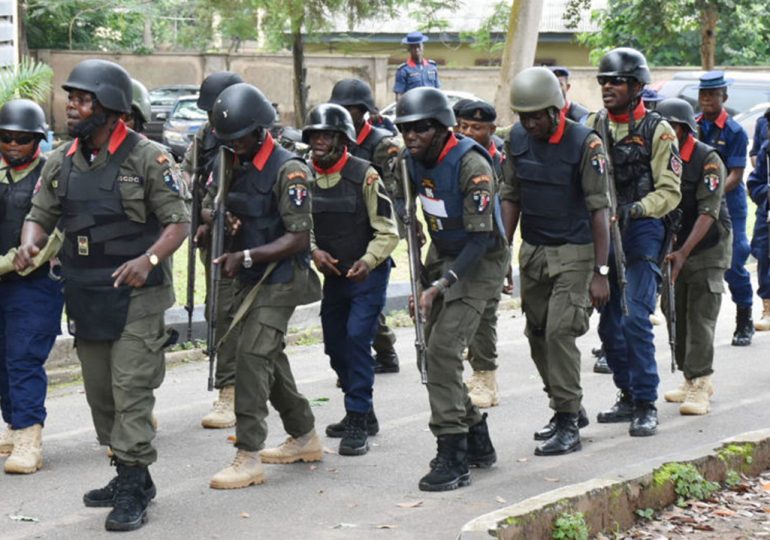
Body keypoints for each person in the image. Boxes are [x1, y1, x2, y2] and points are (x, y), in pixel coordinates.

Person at [14, 59, 189, 531]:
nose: (72, 105)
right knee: (101, 396)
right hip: (87, 293)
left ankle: (134, 485)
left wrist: (148, 260)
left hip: (138, 295)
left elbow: (178, 223)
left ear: (110, 107)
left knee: (131, 390)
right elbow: (41, 211)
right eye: (71, 98)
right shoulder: (62, 159)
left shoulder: (148, 158)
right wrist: (31, 240)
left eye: (83, 99)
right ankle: (129, 471)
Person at [202, 83, 322, 489]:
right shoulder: (226, 159)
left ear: (259, 131)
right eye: (227, 141)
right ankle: (304, 434)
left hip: (283, 277)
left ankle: (248, 454)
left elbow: (299, 237)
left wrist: (247, 255)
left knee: (253, 355)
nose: (233, 147)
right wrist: (221, 221)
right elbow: (208, 205)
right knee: (270, 358)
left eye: (239, 139)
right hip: (248, 275)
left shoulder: (290, 170)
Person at [394, 87, 508, 491]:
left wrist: (440, 285)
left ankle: (453, 452)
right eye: (405, 129)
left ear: (442, 129)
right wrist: (420, 268)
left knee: (441, 351)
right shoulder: (408, 161)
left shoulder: (471, 165)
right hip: (443, 253)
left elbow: (481, 241)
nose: (411, 137)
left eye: (421, 129)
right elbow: (405, 208)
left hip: (480, 260)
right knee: (432, 350)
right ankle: (476, 434)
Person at [501, 67, 610, 455]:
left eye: (535, 116)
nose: (528, 124)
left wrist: (601, 271)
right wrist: (503, 252)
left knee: (560, 333)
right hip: (533, 251)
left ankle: (567, 422)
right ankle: (568, 405)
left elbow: (600, 209)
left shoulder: (585, 143)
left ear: (555, 109)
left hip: (575, 252)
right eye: (522, 116)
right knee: (536, 333)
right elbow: (510, 195)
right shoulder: (516, 139)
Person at [587, 48, 682, 437]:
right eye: (604, 81)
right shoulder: (594, 125)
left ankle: (646, 401)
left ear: (637, 86)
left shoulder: (659, 130)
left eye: (617, 81)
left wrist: (636, 209)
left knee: (634, 317)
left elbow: (670, 192)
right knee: (609, 326)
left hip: (643, 229)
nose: (608, 87)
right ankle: (627, 393)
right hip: (603, 229)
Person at [303, 103, 399, 455]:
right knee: (334, 344)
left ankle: (357, 415)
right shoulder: (304, 176)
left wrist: (369, 260)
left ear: (342, 140)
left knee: (358, 338)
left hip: (367, 274)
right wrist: (314, 252)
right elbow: (300, 226)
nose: (319, 142)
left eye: (326, 136)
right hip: (335, 275)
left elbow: (389, 231)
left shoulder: (366, 175)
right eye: (314, 136)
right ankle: (363, 409)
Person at [0, 99, 64, 474]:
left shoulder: (51, 172)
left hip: (34, 280)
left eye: (21, 139)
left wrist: (12, 262)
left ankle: (28, 434)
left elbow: (54, 232)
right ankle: (12, 422)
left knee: (23, 356)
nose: (12, 146)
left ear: (37, 139)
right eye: (5, 137)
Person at [657, 98, 731, 415]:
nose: (668, 134)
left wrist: (684, 253)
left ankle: (701, 381)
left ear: (686, 129)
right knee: (673, 307)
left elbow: (708, 211)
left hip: (706, 245)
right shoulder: (657, 156)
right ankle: (690, 376)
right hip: (674, 246)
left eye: (673, 127)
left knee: (700, 312)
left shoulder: (706, 159)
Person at [181, 71, 243, 429]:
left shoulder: (248, 137)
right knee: (217, 310)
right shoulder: (204, 138)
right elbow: (189, 180)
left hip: (248, 242)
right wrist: (201, 217)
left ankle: (230, 390)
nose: (211, 119)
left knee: (231, 313)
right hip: (214, 241)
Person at [328, 78, 402, 375]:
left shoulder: (381, 144)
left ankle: (374, 357)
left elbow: (394, 192)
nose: (344, 114)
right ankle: (383, 352)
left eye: (350, 109)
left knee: (364, 298)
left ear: (364, 111)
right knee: (358, 301)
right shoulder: (335, 140)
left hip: (374, 229)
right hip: (343, 228)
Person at [695, 71, 752, 346]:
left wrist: (710, 194)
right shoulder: (693, 127)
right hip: (698, 203)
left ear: (724, 97)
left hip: (729, 204)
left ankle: (745, 317)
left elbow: (736, 175)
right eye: (703, 94)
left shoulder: (734, 131)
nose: (706, 99)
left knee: (734, 260)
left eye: (713, 95)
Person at [454, 99, 505, 408]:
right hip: (456, 241)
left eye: (476, 127)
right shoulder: (452, 157)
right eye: (463, 127)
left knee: (484, 311)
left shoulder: (501, 159)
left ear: (491, 130)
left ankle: (486, 376)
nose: (468, 132)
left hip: (490, 244)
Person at [748, 138, 770, 331]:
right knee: (764, 254)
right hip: (768, 212)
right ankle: (768, 309)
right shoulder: (767, 149)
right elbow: (754, 184)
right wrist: (766, 192)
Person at [393, 31, 440, 100]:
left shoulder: (432, 67)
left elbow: (438, 91)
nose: (417, 50)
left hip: (431, 108)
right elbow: (399, 96)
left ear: (423, 47)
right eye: (413, 47)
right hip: (413, 109)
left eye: (418, 46)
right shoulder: (403, 70)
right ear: (409, 49)